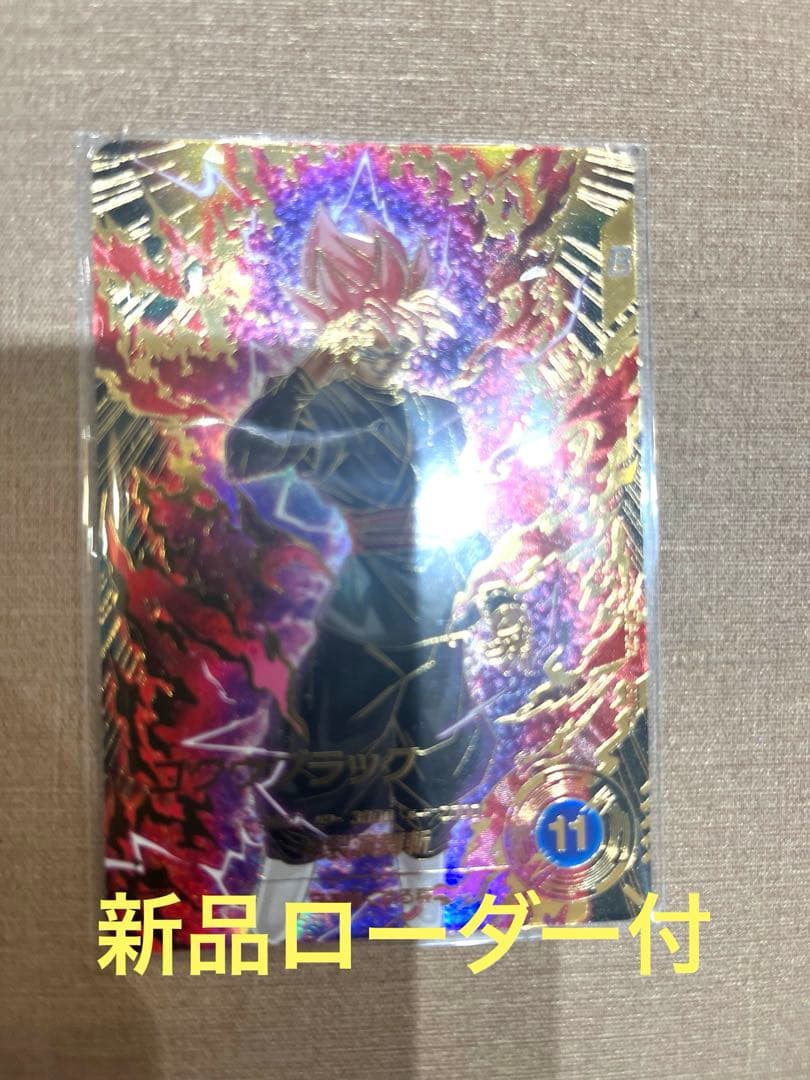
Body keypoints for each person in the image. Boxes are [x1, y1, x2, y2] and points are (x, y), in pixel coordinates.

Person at [226, 210, 493, 939]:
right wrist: (311, 370)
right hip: (362, 617)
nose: (386, 345)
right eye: (367, 332)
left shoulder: (442, 416)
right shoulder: (325, 410)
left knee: (431, 782)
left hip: (438, 613)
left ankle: (428, 935)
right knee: (320, 780)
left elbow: (460, 516)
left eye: (396, 329)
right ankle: (271, 935)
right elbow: (247, 456)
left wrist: (492, 588)